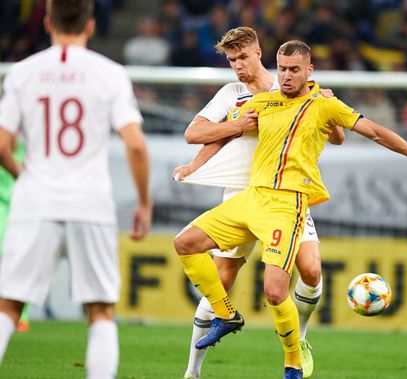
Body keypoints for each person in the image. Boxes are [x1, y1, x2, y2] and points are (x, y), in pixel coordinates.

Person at [173, 39, 407, 379]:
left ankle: (294, 359)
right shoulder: (259, 100)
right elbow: (218, 135)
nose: (286, 76)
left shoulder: (324, 104)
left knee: (286, 285)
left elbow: (373, 132)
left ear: (309, 71)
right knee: (185, 243)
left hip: (288, 203)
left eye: (294, 70)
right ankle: (221, 323)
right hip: (249, 196)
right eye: (283, 69)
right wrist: (193, 166)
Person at [172, 26, 343, 379]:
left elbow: (335, 135)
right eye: (231, 60)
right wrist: (231, 129)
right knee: (219, 281)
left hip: (285, 196)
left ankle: (302, 339)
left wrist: (327, 99)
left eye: (243, 57)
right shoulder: (230, 94)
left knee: (310, 270)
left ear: (259, 52)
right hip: (241, 196)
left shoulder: (290, 87)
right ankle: (192, 372)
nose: (238, 66)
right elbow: (196, 133)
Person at [0, 1, 152, 378]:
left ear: (48, 23)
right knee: (100, 309)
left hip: (35, 201)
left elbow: (2, 143)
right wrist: (144, 203)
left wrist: (24, 174)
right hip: (91, 203)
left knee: (8, 306)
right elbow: (135, 144)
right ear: (91, 25)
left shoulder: (23, 72)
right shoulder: (110, 74)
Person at [0, 138, 29, 332]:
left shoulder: (27, 149)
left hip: (23, 210)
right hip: (2, 207)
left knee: (21, 261)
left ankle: (21, 316)